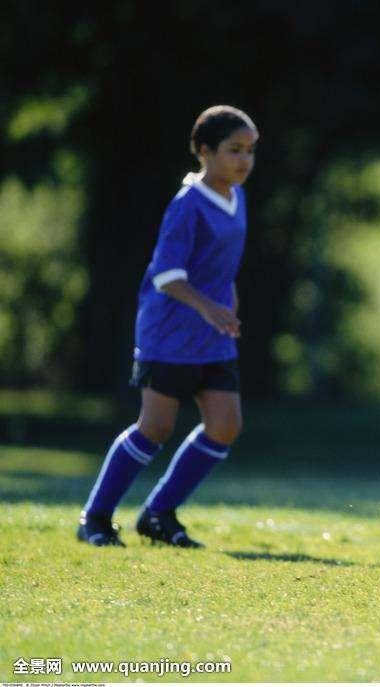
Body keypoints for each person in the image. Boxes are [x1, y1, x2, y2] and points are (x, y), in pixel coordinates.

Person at [77, 105, 257, 548]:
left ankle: (158, 514)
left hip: (212, 335)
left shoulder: (238, 198)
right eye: (234, 150)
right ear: (203, 151)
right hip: (170, 333)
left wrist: (226, 302)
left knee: (225, 425)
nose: (244, 161)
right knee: (154, 428)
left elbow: (219, 266)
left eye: (250, 151)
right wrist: (207, 307)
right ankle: (95, 519)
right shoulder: (187, 206)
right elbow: (166, 275)